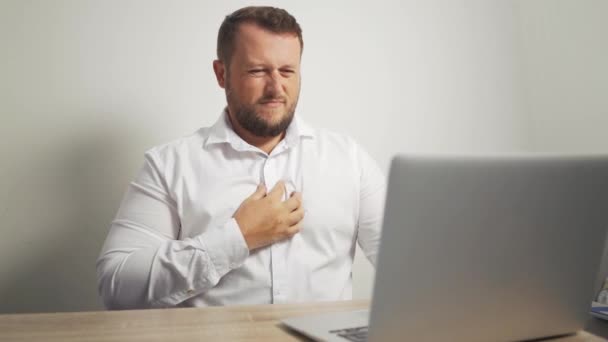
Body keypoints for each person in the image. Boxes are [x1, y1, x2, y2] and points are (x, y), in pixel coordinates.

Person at [96, 6, 385, 309]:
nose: (276, 88)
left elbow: (408, 266)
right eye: (258, 71)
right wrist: (238, 237)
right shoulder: (169, 165)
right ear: (222, 74)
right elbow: (116, 285)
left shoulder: (349, 160)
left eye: (287, 71)